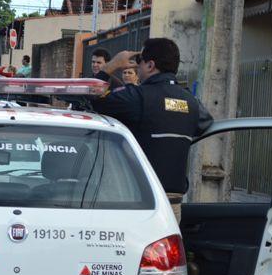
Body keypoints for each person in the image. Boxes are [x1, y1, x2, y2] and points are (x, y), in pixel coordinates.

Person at [90, 38, 213, 222]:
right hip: (173, 205)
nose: (137, 67)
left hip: (139, 201)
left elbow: (92, 95)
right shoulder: (191, 102)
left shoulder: (139, 98)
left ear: (150, 65)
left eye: (139, 62)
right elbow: (205, 123)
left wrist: (112, 65)